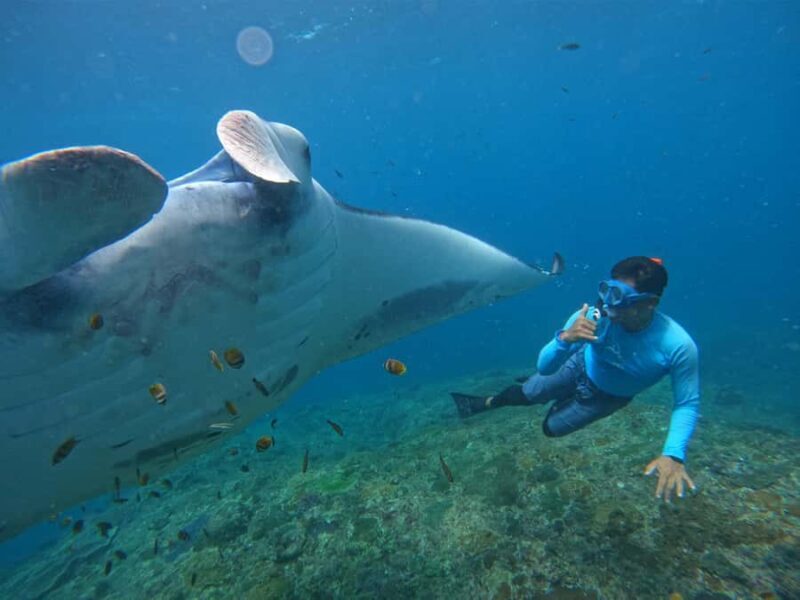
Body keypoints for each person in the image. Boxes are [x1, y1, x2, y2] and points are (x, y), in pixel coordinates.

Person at [452, 256, 699, 502]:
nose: (609, 304)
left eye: (620, 297)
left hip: (607, 397)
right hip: (579, 364)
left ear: (650, 303)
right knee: (529, 393)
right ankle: (485, 403)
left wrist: (673, 454)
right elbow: (544, 367)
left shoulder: (677, 346)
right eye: (607, 291)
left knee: (550, 429)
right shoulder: (590, 317)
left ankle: (560, 396)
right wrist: (565, 339)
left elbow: (686, 403)